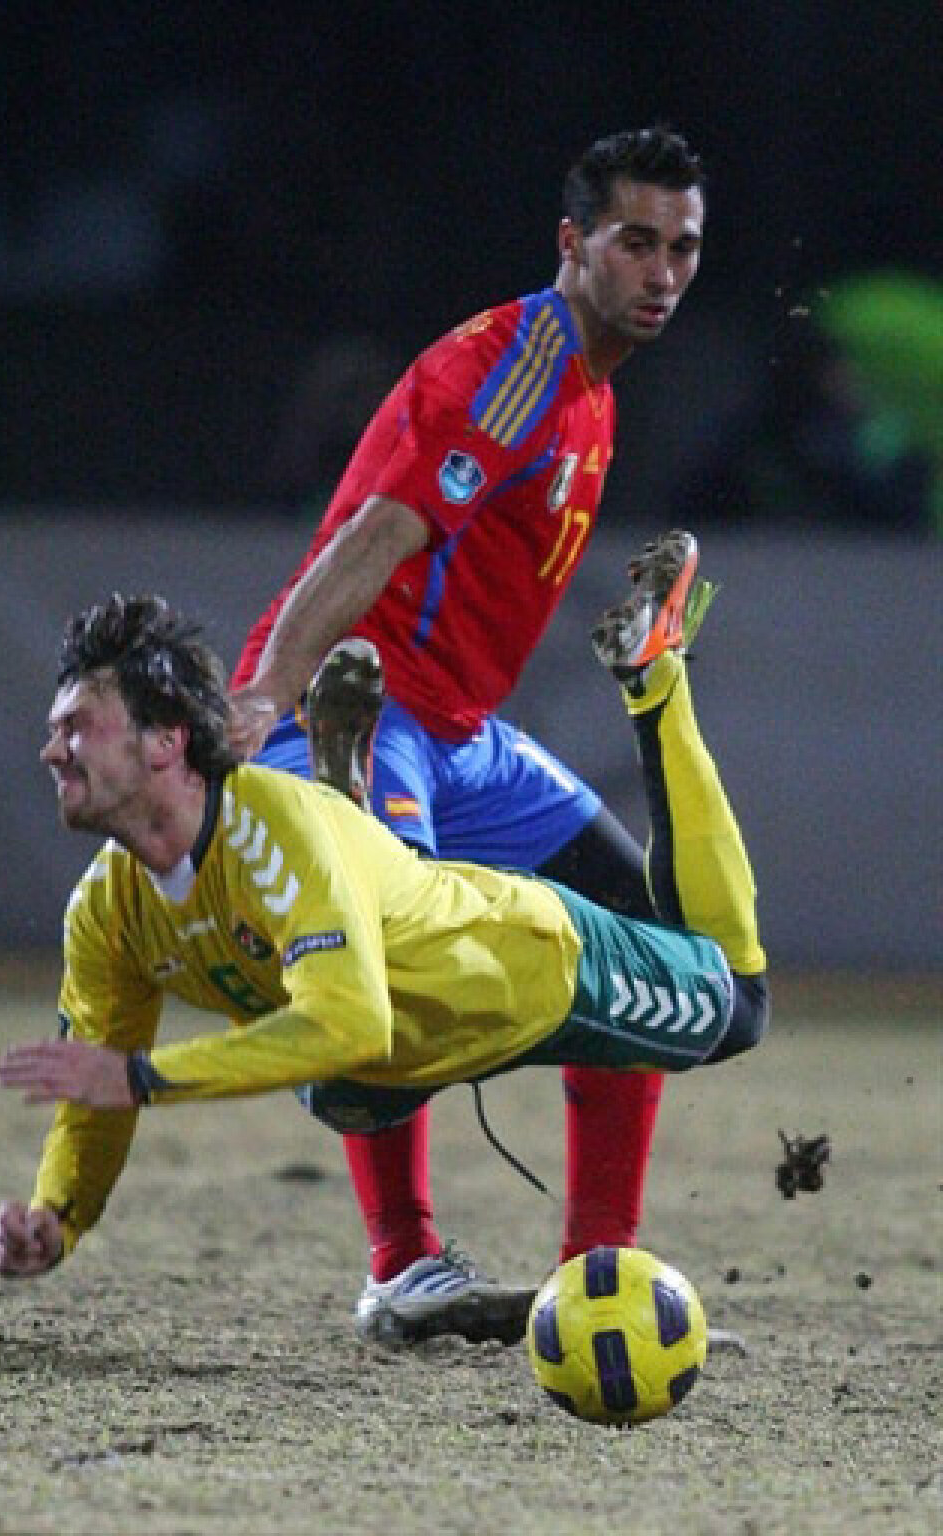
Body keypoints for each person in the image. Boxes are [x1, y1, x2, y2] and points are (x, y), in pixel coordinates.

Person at [0, 535, 770, 1316]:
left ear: (166, 740)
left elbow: (335, 1025)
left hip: (528, 972)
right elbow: (94, 1078)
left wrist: (146, 1079)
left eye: (78, 726)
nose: (52, 749)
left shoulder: (272, 830)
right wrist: (59, 1214)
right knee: (341, 1081)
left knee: (738, 1004)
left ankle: (654, 681)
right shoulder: (104, 911)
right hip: (374, 1065)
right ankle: (359, 821)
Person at [226, 127, 707, 1343]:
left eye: (683, 248)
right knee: (392, 965)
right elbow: (376, 540)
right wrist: (267, 698)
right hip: (361, 710)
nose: (662, 271)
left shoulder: (591, 395)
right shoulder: (515, 370)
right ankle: (400, 1266)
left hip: (458, 731)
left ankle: (600, 1277)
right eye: (635, 242)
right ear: (572, 245)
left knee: (649, 935)